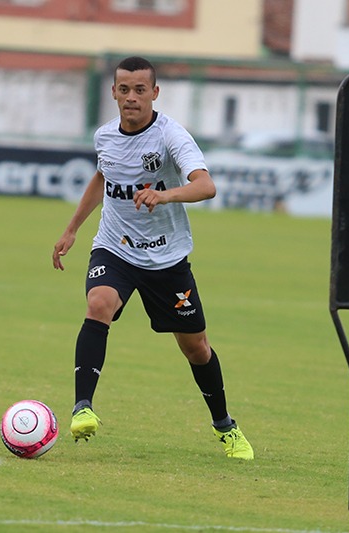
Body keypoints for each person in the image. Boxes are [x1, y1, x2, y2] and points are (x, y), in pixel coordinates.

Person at [52, 56, 253, 460]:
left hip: (167, 259)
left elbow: (206, 186)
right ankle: (82, 408)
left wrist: (164, 194)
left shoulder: (171, 136)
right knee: (99, 303)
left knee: (196, 347)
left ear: (154, 93)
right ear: (113, 92)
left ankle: (225, 426)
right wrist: (73, 227)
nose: (131, 97)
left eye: (140, 90)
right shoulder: (104, 136)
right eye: (123, 89)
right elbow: (102, 175)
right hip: (116, 247)